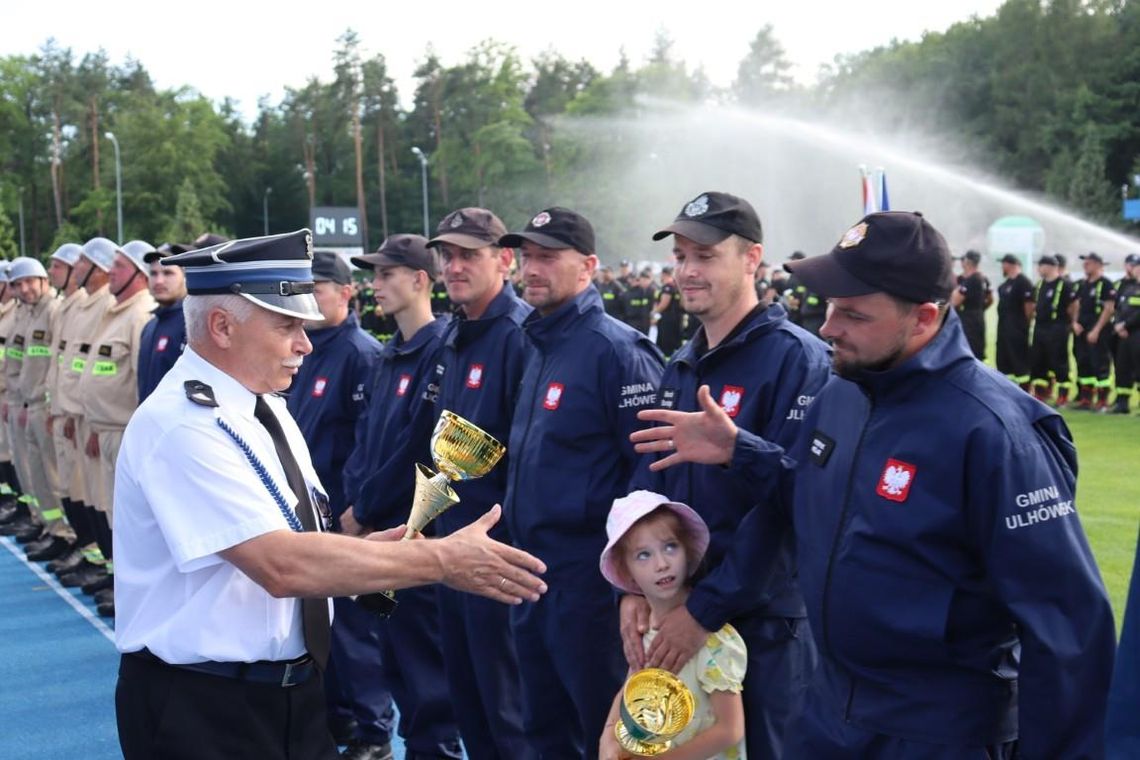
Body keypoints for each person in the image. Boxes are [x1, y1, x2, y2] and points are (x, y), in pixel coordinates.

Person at [632, 211, 1116, 758]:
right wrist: (741, 452)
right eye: (832, 307)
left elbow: (1067, 631)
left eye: (854, 314)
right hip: (828, 712)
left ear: (925, 318)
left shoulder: (996, 432)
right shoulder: (842, 393)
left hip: (937, 731)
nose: (828, 327)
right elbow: (811, 500)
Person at [113, 228, 547, 760]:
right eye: (287, 326)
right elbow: (280, 566)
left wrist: (383, 553)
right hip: (205, 707)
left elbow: (302, 534)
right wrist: (440, 560)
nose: (304, 344)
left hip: (288, 696)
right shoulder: (182, 425)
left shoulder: (263, 406)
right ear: (223, 327)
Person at [624, 191, 831, 759]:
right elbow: (650, 494)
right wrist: (631, 588)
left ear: (751, 259)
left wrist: (704, 610)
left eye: (705, 256)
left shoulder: (798, 359)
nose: (687, 271)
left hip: (761, 626)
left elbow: (792, 506)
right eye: (681, 256)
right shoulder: (680, 364)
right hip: (676, 617)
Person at [501, 207, 664, 756]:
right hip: (533, 576)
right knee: (544, 728)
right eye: (527, 256)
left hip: (589, 586)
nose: (532, 268)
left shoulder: (617, 351)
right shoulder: (539, 344)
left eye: (548, 256)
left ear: (588, 266)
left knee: (610, 732)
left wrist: (629, 587)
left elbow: (647, 481)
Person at [343, 234, 464, 760]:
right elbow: (367, 440)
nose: (375, 286)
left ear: (419, 280)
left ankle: (434, 750)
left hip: (411, 532)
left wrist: (365, 510)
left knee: (423, 664)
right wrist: (355, 503)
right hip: (376, 535)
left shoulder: (439, 349)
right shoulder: (390, 353)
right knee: (391, 654)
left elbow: (421, 448)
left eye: (386, 275)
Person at [426, 207, 535, 759]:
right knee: (469, 702)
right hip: (453, 546)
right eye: (447, 255)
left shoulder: (518, 336)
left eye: (469, 254)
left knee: (507, 708)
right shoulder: (457, 334)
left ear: (505, 260)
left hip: (499, 557)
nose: (454, 266)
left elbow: (526, 457)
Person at [285, 250, 395, 760]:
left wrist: (356, 513)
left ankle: (373, 730)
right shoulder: (303, 348)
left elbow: (368, 447)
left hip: (345, 517)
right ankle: (338, 719)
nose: (307, 300)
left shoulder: (360, 354)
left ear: (346, 294)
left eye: (319, 289)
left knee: (355, 628)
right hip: (307, 513)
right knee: (318, 624)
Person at [598, 491, 746, 760]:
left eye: (670, 547)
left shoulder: (712, 640)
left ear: (688, 551)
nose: (662, 564)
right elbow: (633, 684)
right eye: (643, 554)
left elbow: (730, 729)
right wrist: (608, 735)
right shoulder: (644, 629)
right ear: (625, 570)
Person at [50, 238, 115, 590]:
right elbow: (71, 364)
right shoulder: (84, 306)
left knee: (106, 502)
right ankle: (100, 561)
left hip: (100, 422)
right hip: (76, 414)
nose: (74, 272)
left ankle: (111, 570)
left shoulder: (108, 306)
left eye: (79, 265)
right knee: (87, 495)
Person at [6, 257, 70, 562]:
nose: (25, 288)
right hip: (25, 403)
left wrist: (46, 403)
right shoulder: (26, 314)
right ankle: (48, 525)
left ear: (44, 281)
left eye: (31, 281)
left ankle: (64, 533)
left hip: (43, 406)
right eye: (19, 283)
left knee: (52, 474)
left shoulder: (53, 312)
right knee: (34, 473)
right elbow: (16, 361)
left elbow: (57, 363)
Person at [137, 241, 191, 402]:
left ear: (185, 276)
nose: (159, 281)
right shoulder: (150, 326)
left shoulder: (191, 325)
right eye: (153, 273)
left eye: (168, 273)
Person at [1070, 252, 1117, 410]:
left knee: (1100, 363)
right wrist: (1075, 322)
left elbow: (1109, 309)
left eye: (1088, 263)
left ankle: (1102, 399)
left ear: (1098, 265)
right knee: (1083, 363)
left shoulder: (1106, 284)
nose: (1085, 265)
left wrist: (1096, 330)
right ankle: (1086, 399)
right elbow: (1076, 305)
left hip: (1098, 332)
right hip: (1081, 331)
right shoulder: (1081, 285)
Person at [1029, 254, 1075, 406]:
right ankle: (1041, 394)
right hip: (1040, 327)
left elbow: (1074, 306)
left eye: (1040, 266)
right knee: (1038, 360)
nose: (1038, 269)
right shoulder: (1040, 285)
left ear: (1049, 267)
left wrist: (1072, 322)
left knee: (1059, 360)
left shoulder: (1065, 285)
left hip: (1058, 327)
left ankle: (1063, 396)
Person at [994, 253, 1034, 391]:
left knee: (1019, 360)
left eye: (1004, 264)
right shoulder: (1004, 285)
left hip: (1017, 329)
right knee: (1004, 360)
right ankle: (1008, 389)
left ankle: (1025, 390)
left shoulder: (1024, 282)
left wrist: (1023, 325)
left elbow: (1029, 307)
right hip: (1003, 328)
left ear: (1010, 265)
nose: (1002, 267)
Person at [1108, 253, 1140, 414]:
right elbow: (1118, 309)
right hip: (1123, 335)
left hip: (1136, 333)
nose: (1135, 270)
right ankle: (1122, 403)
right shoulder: (1128, 288)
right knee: (1122, 368)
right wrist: (1118, 324)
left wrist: (1125, 325)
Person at [950, 249, 992, 360]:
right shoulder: (981, 278)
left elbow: (954, 301)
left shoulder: (972, 280)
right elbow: (989, 299)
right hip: (976, 316)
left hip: (969, 319)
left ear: (967, 262)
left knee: (969, 348)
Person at [652, 265, 684, 357]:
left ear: (664, 274)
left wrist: (653, 313)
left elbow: (664, 304)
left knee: (665, 346)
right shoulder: (676, 286)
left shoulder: (668, 287)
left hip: (667, 321)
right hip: (676, 319)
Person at [621, 269, 656, 335]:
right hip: (631, 322)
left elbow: (652, 306)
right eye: (642, 279)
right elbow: (623, 308)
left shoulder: (650, 291)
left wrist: (653, 317)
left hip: (644, 322)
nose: (644, 282)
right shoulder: (627, 293)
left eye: (646, 279)